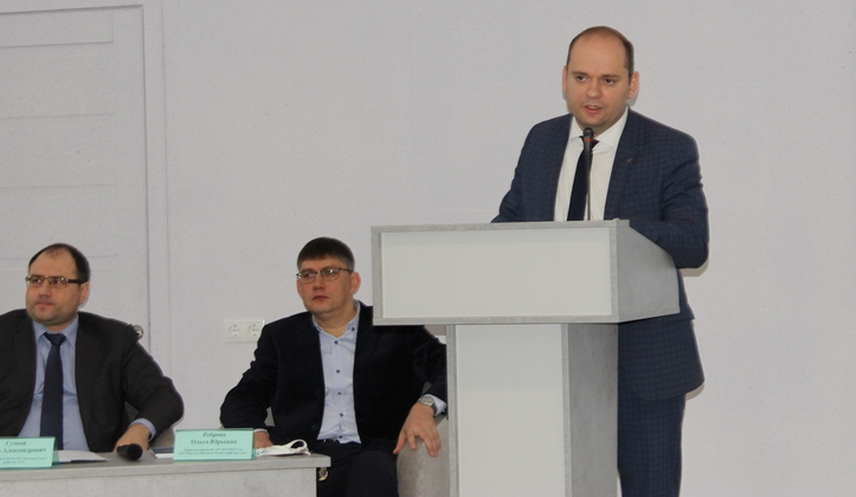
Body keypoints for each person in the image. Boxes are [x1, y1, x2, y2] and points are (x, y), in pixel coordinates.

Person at [493, 26, 708, 497]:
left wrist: (612, 234)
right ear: (564, 78)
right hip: (549, 360)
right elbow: (509, 224)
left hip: (643, 361)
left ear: (632, 84)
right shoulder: (541, 140)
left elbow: (693, 243)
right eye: (582, 78)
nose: (593, 92)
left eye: (609, 80)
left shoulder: (669, 147)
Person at [220, 237, 447, 497]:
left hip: (370, 452)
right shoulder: (281, 337)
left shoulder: (394, 329)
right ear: (299, 286)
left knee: (372, 471)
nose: (317, 283)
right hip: (304, 454)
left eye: (329, 273)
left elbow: (451, 366)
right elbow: (243, 396)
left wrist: (425, 406)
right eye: (308, 275)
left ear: (353, 282)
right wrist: (257, 433)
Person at [0, 243, 184, 453]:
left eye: (57, 282)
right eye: (36, 280)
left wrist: (140, 429)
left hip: (93, 465)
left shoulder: (113, 340)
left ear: (83, 292)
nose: (43, 291)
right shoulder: (4, 334)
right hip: (12, 466)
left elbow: (163, 396)